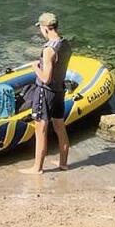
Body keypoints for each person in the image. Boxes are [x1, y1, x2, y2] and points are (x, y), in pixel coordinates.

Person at [20, 12, 72, 174]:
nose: (40, 31)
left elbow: (46, 78)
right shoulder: (65, 43)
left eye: (41, 28)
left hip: (46, 92)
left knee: (40, 129)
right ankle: (63, 163)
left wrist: (36, 67)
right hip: (59, 91)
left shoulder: (49, 50)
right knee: (60, 127)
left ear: (45, 28)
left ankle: (37, 168)